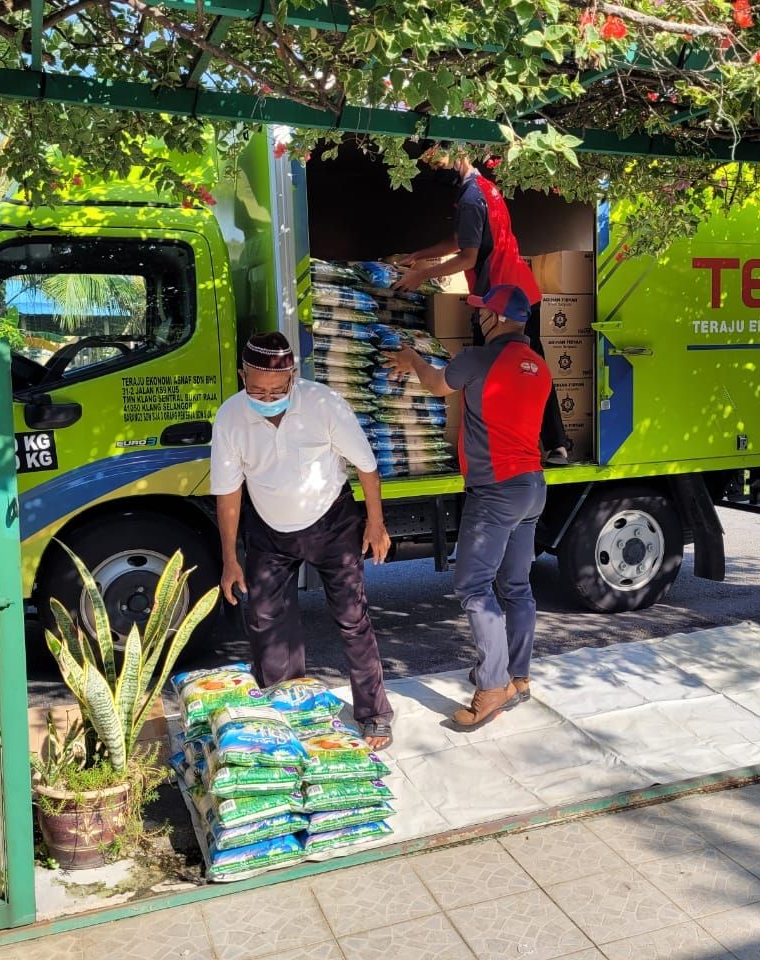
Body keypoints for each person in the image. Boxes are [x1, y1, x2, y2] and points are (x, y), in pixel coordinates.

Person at [211, 332, 395, 749]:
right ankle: (287, 715)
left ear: (293, 376)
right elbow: (228, 493)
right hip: (269, 532)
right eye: (257, 388)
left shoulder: (324, 404)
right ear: (242, 377)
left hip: (332, 524)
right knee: (267, 623)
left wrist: (375, 523)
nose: (268, 396)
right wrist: (230, 558)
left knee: (352, 618)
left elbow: (366, 466)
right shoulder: (230, 417)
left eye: (278, 389)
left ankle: (375, 713)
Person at [381, 285, 551, 730]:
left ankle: (492, 688)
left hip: (496, 490)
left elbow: (437, 385)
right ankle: (517, 676)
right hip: (533, 485)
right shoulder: (540, 367)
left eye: (482, 314)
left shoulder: (479, 359)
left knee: (473, 585)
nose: (477, 320)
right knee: (516, 584)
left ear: (495, 319)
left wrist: (412, 360)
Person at [393, 145, 569, 466]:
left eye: (437, 161)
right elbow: (463, 239)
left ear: (457, 152)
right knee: (533, 369)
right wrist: (419, 255)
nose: (435, 169)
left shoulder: (472, 198)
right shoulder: (484, 188)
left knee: (482, 376)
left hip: (500, 300)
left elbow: (467, 256)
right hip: (521, 291)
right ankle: (557, 445)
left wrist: (422, 275)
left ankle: (486, 454)